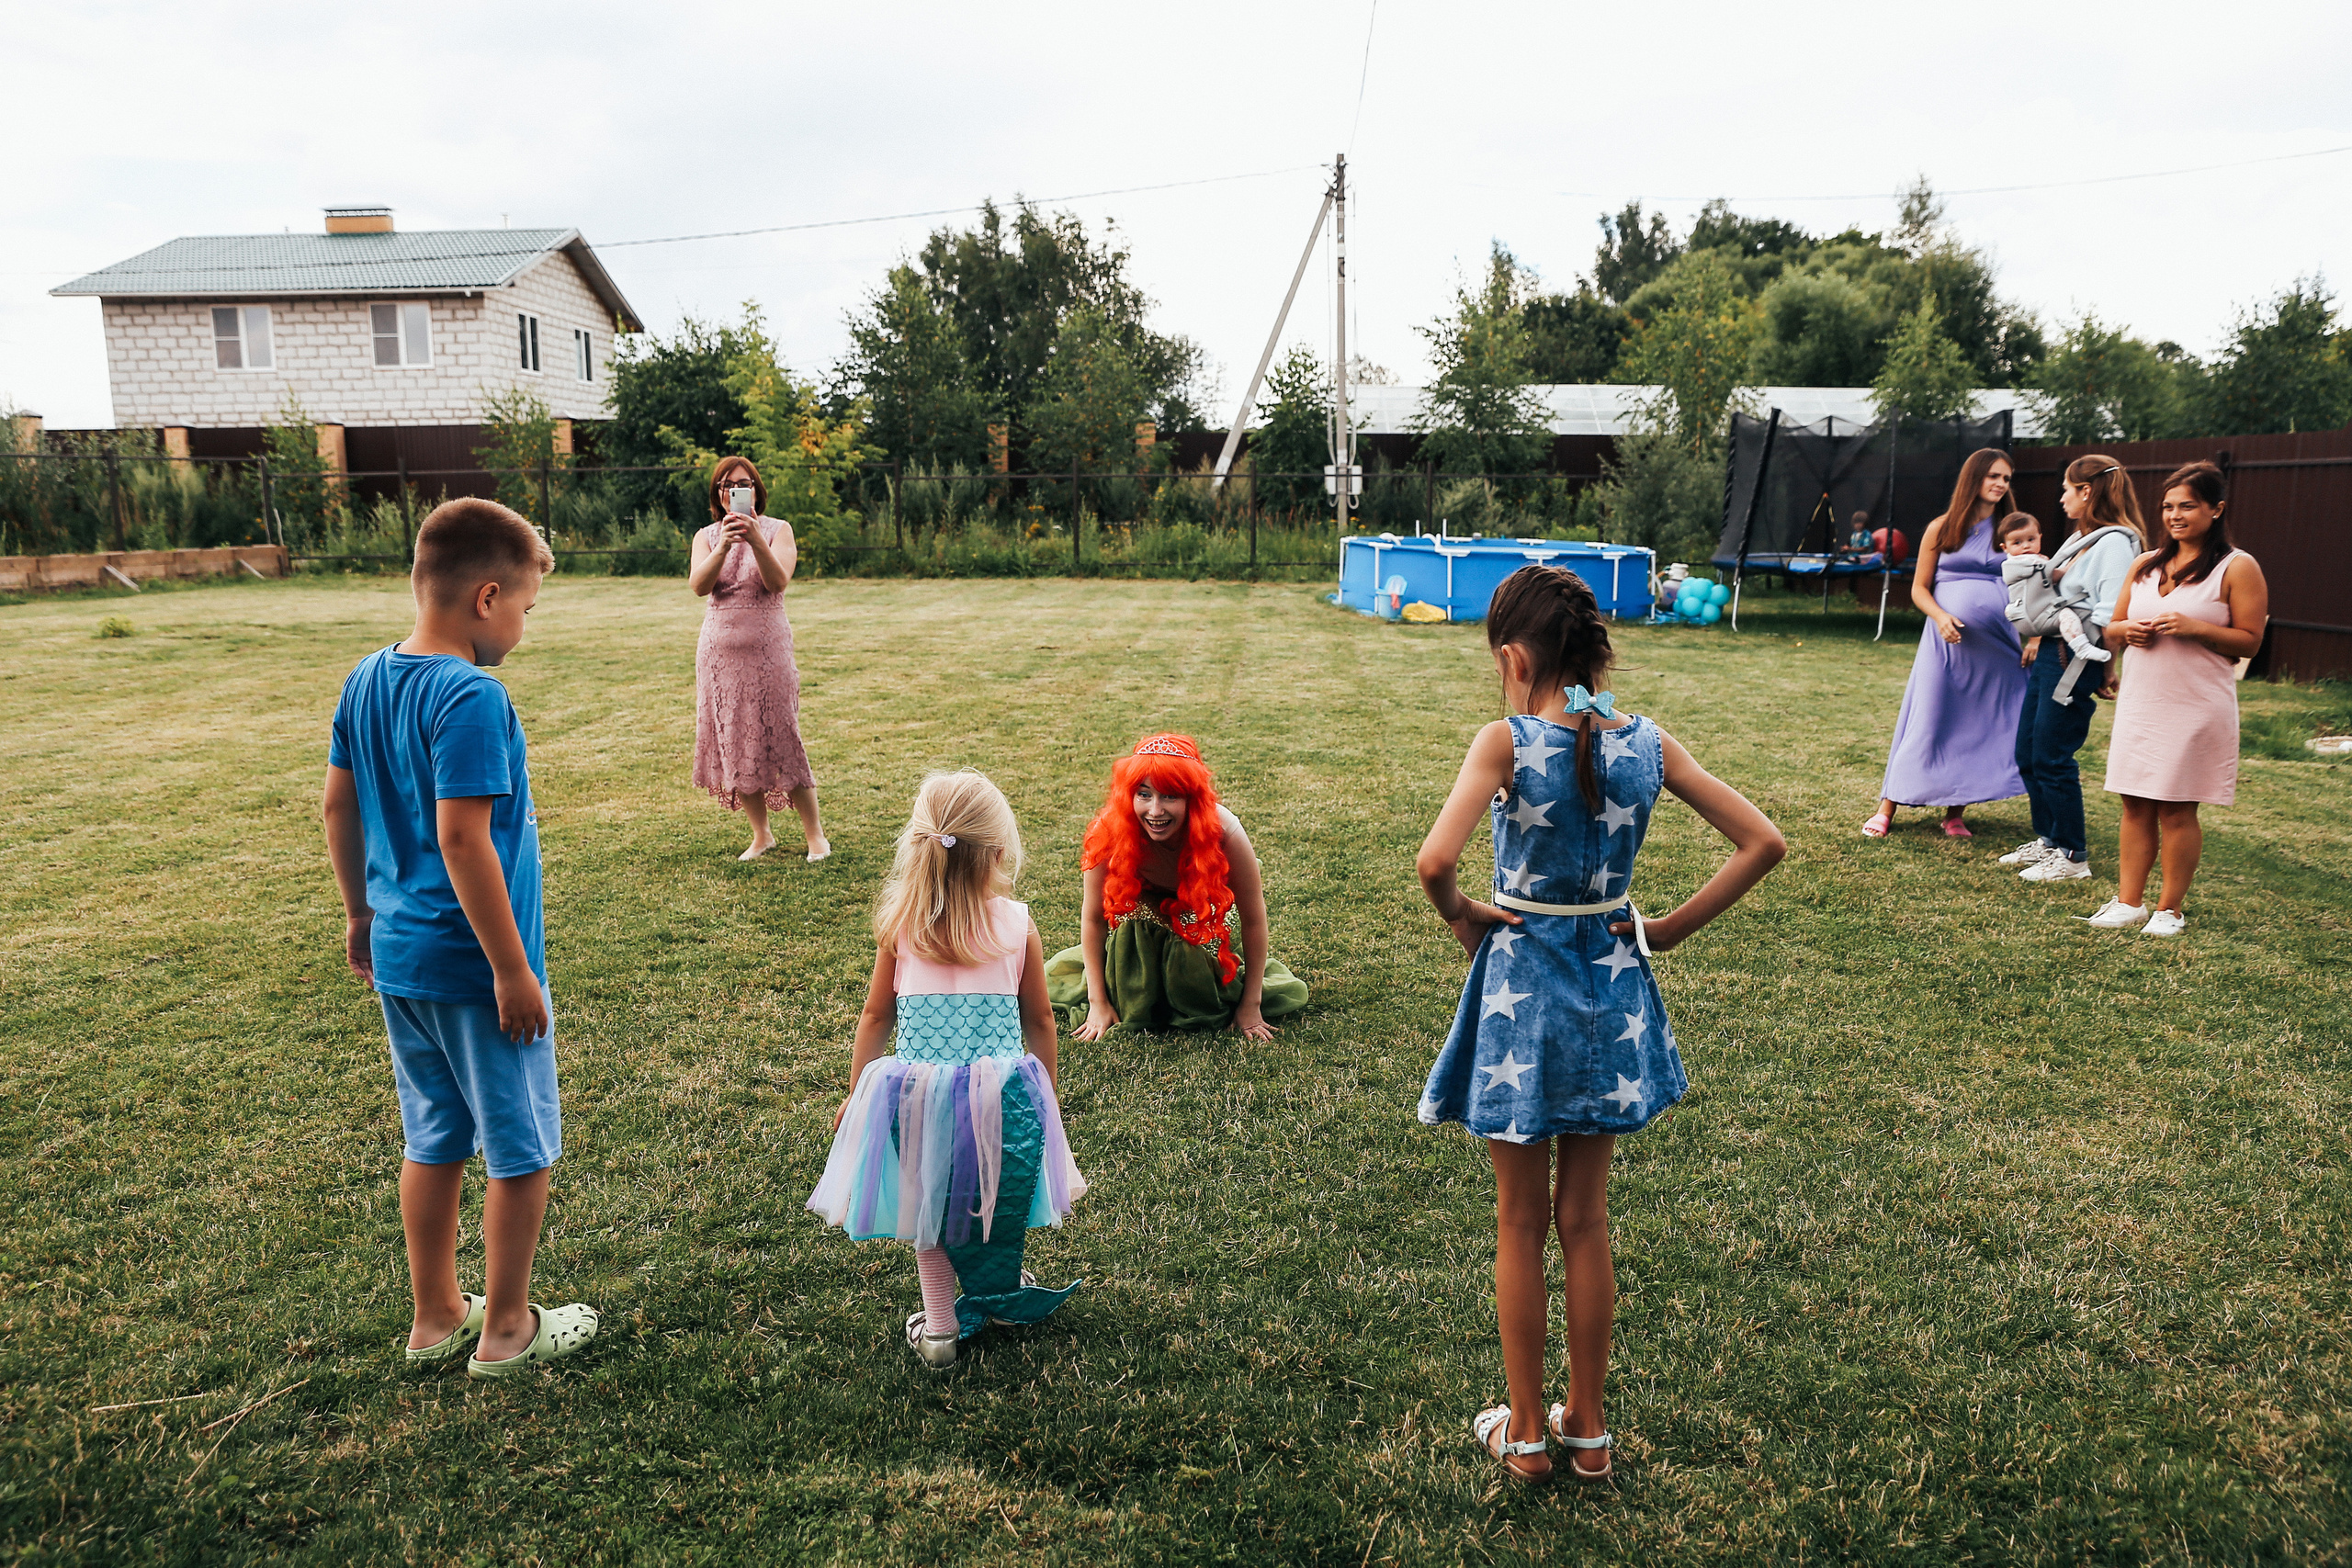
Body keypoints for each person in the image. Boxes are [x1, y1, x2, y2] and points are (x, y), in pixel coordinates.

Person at [1413, 566, 1785, 1483]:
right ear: (1592, 652)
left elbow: (1432, 862)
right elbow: (1763, 843)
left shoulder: (1503, 742)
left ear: (1511, 656)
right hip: (1612, 997)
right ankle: (1589, 1432)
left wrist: (1463, 914)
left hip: (1521, 1000)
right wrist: (1658, 930)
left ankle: (1527, 1434)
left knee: (1517, 1222)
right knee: (1585, 1222)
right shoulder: (1648, 742)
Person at [321, 498, 599, 1379]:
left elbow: (338, 803)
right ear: (486, 597)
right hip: (477, 967)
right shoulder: (473, 695)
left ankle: (436, 1312)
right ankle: (508, 1325)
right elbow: (462, 836)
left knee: (433, 1135)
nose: (522, 627)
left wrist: (360, 915)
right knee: (521, 1144)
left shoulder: (366, 677)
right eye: (523, 608)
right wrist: (512, 969)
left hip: (402, 957)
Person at [807, 770, 1087, 1370]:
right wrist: (1047, 1097)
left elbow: (876, 1015)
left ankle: (939, 1330)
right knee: (999, 1190)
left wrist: (859, 1091)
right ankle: (999, 1291)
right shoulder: (1017, 925)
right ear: (999, 852)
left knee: (930, 1207)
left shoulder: (902, 926)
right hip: (1000, 1096)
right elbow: (1040, 1019)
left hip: (917, 1097)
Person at [2079, 461, 2269, 936]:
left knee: (2177, 808)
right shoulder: (2145, 564)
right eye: (2168, 506)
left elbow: (2249, 642)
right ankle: (2128, 902)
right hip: (2143, 701)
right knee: (2135, 803)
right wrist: (2128, 632)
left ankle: (2169, 909)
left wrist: (2196, 628)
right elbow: (2112, 625)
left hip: (2196, 704)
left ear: (2216, 509)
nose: (2175, 515)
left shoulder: (2237, 567)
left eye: (2188, 506)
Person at [1046, 735, 1309, 1041]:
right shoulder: (1109, 830)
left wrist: (1251, 1005)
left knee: (1199, 986)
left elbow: (1254, 919)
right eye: (1144, 795)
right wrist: (1097, 1002)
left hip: (1199, 921)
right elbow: (1093, 918)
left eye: (1169, 796)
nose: (1155, 811)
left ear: (1191, 799)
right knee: (1131, 994)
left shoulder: (1224, 830)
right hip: (1139, 928)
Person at [1862, 447, 2027, 840]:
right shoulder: (1942, 528)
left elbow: (2032, 579)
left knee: (1979, 724)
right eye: (1994, 477)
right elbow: (1919, 589)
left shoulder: (2010, 528)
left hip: (1999, 648)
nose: (2002, 485)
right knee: (1928, 719)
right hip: (1947, 644)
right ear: (1974, 479)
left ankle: (1955, 811)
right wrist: (1940, 617)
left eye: (2006, 478)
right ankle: (1888, 807)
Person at [2000, 459, 2149, 884]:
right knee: (2028, 751)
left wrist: (2104, 668)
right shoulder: (2082, 539)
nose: (2062, 496)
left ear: (2088, 491)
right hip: (2052, 649)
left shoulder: (2115, 544)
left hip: (2074, 656)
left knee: (2051, 754)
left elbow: (2111, 613)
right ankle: (2049, 841)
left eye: (2067, 488)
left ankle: (2072, 855)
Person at [688, 455, 829, 863]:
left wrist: (753, 540)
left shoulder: (778, 530)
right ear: (719, 493)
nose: (737, 490)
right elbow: (699, 586)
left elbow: (777, 580)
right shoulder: (706, 536)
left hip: (768, 652)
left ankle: (815, 836)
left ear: (756, 489)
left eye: (745, 483)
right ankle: (761, 834)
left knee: (781, 735)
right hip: (718, 654)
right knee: (734, 738)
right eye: (729, 485)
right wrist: (726, 545)